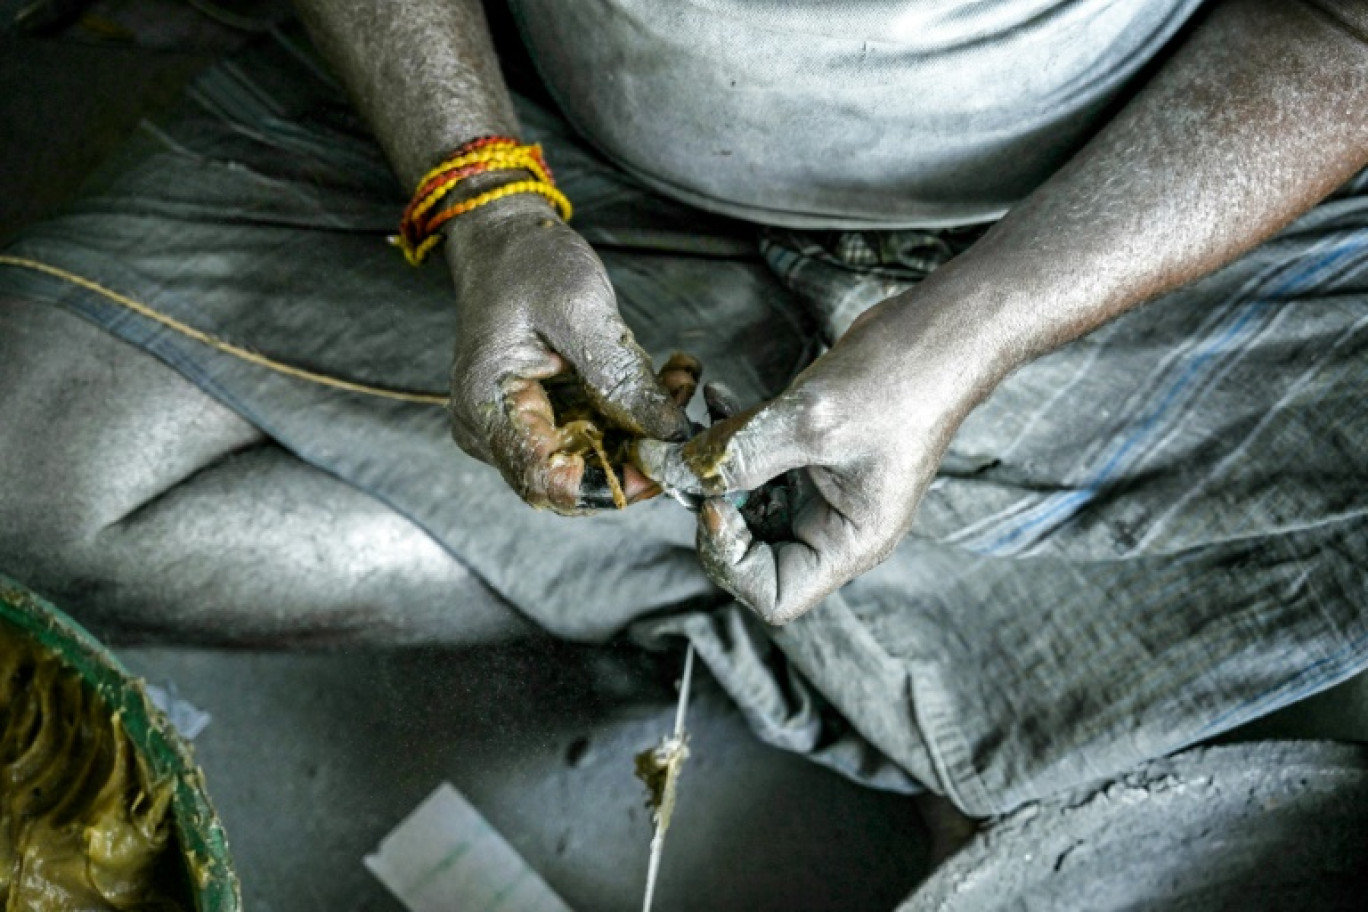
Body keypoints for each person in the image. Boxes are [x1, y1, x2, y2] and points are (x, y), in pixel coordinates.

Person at [1, 0, 1366, 817]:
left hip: (1093, 214)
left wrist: (969, 335)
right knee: (33, 471)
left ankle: (712, 534)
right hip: (529, 131)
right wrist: (476, 191)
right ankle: (731, 564)